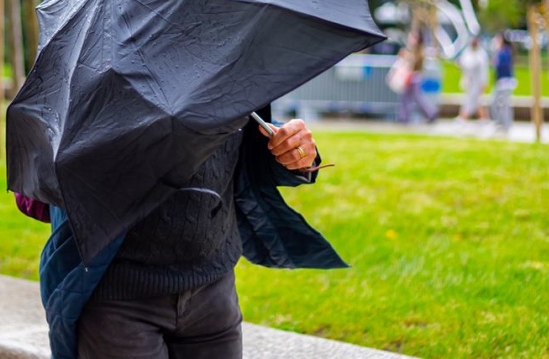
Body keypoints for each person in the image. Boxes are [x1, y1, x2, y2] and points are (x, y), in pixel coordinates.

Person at [17, 107, 335, 359]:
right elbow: (31, 192)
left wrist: (293, 150)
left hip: (213, 295)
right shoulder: (93, 60)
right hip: (117, 302)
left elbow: (244, 142)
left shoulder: (228, 55)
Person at [395, 32, 437, 124]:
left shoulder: (419, 52)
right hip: (412, 76)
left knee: (416, 98)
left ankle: (430, 113)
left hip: (414, 77)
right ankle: (404, 116)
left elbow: (415, 64)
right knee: (407, 98)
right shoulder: (414, 51)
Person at [456, 35, 490, 122]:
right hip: (469, 81)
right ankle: (481, 118)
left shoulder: (482, 55)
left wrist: (484, 83)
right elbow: (464, 63)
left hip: (477, 81)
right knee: (473, 100)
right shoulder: (467, 52)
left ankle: (464, 117)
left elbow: (484, 70)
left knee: (475, 100)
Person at [491, 32, 517, 134]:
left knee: (504, 104)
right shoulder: (503, 51)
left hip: (505, 82)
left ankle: (505, 125)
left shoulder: (504, 52)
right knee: (496, 103)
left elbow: (501, 66)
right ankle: (501, 123)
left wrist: (496, 60)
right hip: (501, 82)